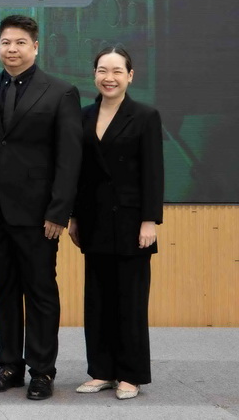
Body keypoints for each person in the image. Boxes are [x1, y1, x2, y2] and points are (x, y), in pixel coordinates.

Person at [0, 15, 82, 401]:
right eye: (5, 43)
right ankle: (9, 365)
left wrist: (59, 211)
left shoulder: (61, 92)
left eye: (20, 43)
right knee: (4, 290)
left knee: (41, 291)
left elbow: (69, 157)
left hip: (39, 215)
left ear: (35, 47)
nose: (11, 49)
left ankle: (42, 370)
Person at [70, 46, 163, 400]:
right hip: (93, 220)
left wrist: (149, 221)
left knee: (130, 300)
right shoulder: (82, 115)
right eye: (102, 71)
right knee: (97, 299)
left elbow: (153, 172)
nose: (109, 78)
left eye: (117, 71)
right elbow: (78, 173)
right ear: (94, 74)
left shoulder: (145, 115)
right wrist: (74, 216)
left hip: (131, 221)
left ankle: (130, 374)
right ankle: (101, 371)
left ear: (130, 76)